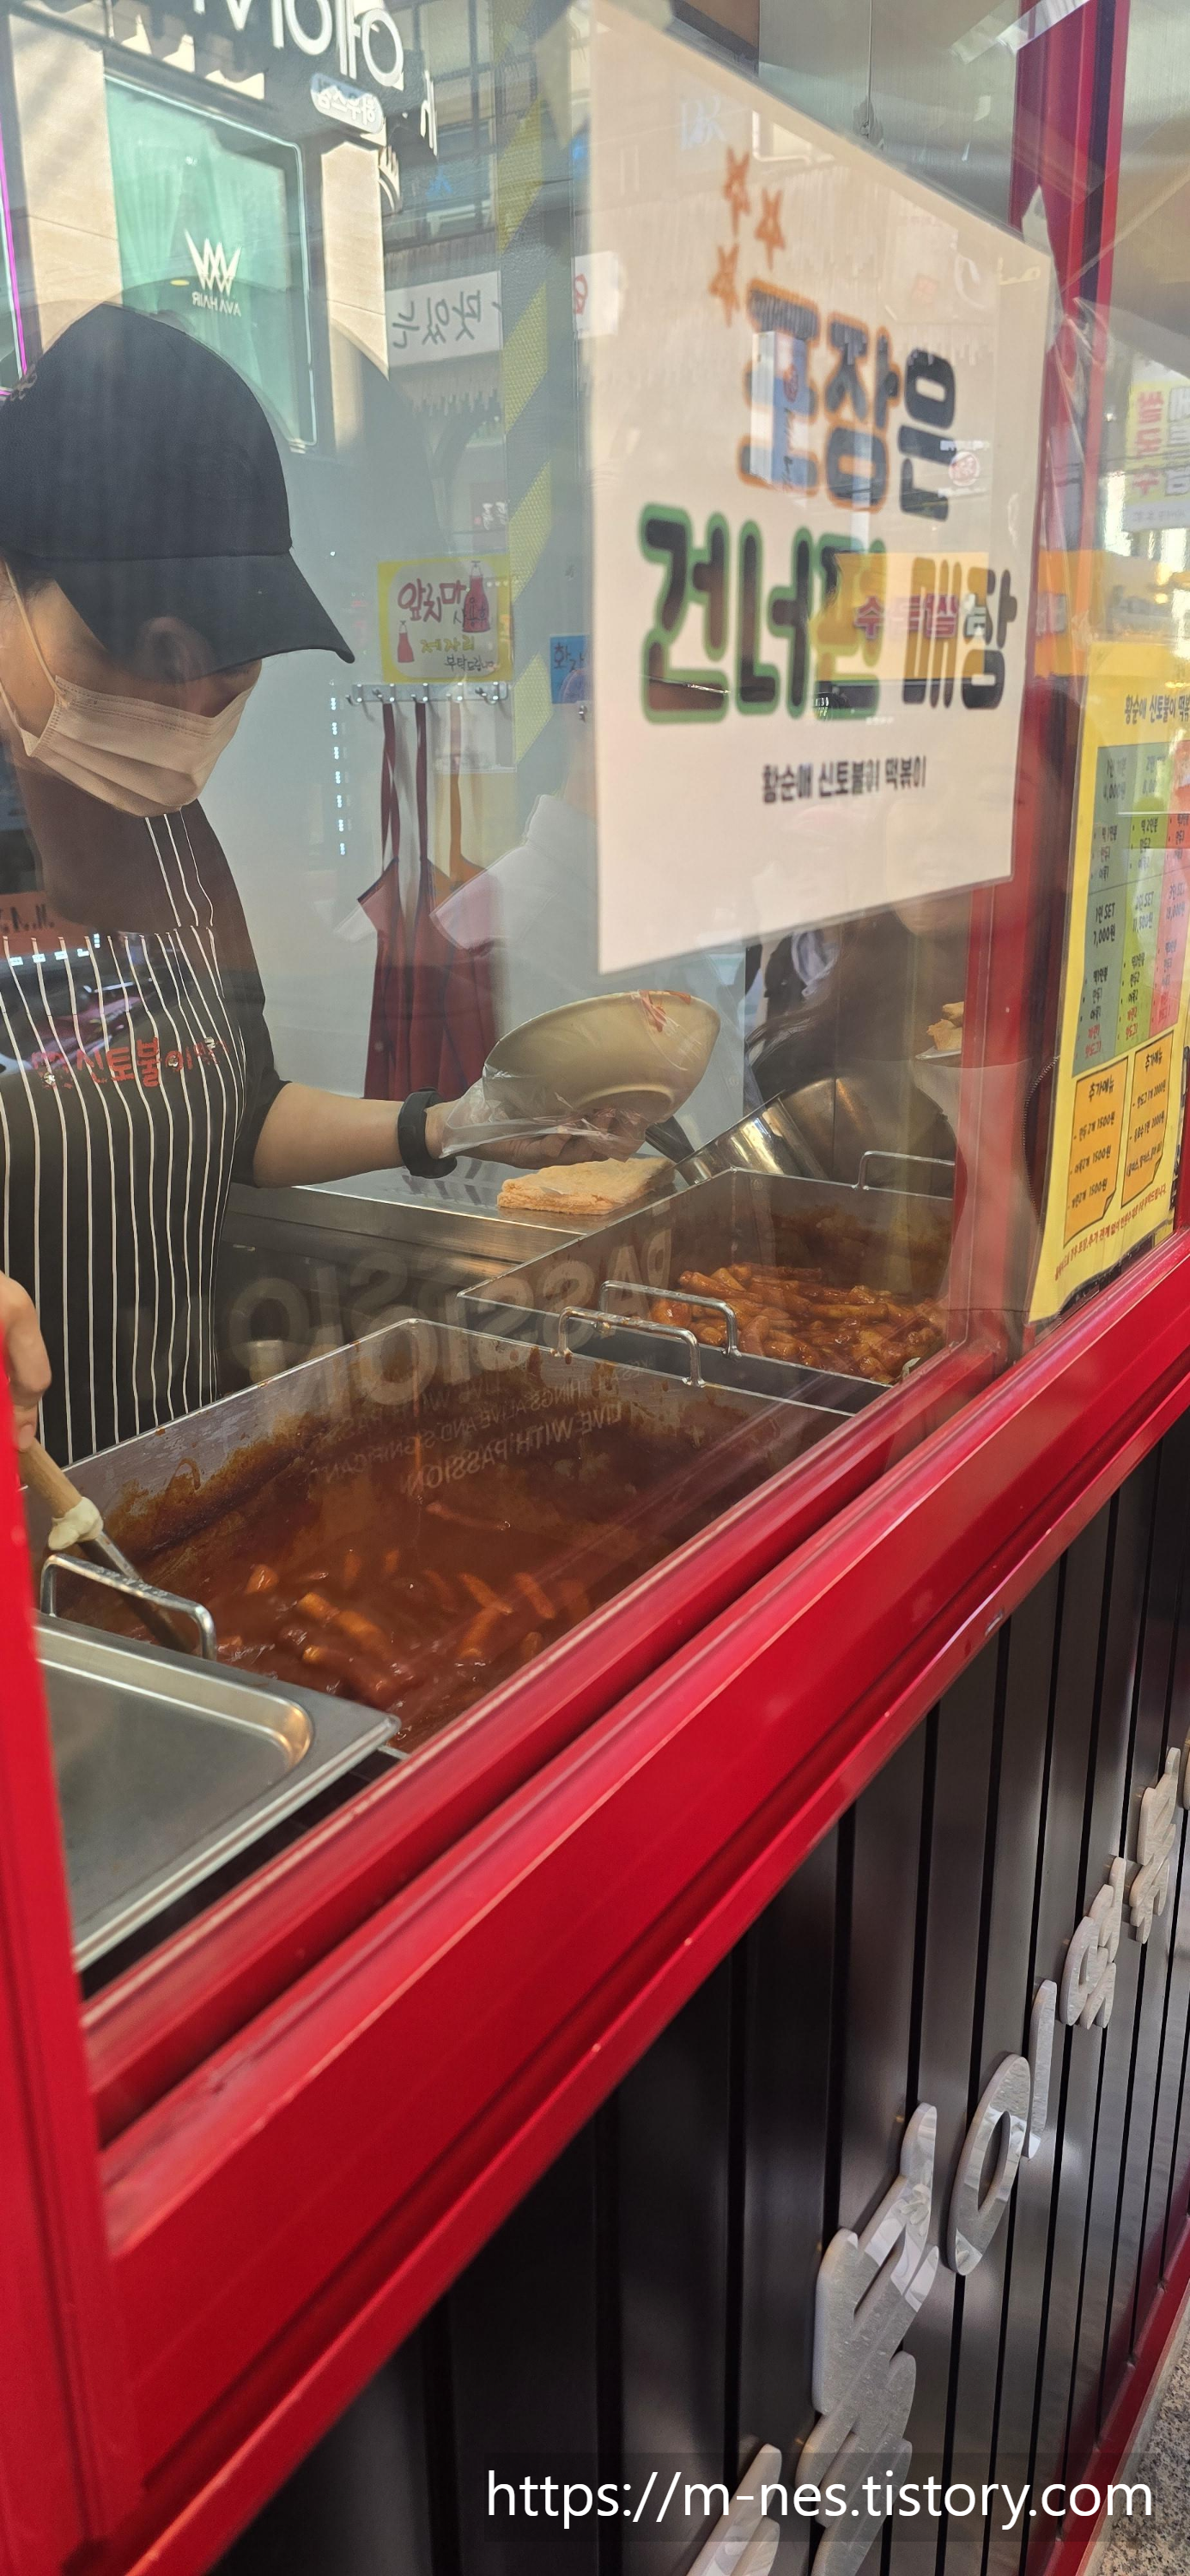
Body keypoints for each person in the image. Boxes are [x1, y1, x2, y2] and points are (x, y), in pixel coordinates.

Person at [0, 307, 593, 1465]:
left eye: (228, 669)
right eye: (154, 655)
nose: (192, 706)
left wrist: (448, 1124)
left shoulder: (168, 833)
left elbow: (241, 1114)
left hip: (165, 1473)